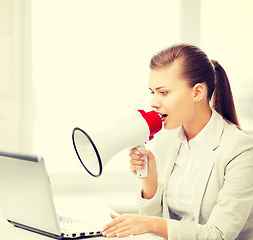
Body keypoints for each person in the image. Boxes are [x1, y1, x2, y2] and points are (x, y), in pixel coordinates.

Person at [101, 43, 253, 239]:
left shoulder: (240, 150)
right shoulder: (168, 137)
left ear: (197, 92)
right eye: (152, 92)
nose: (154, 103)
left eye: (163, 92)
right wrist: (150, 180)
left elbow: (219, 235)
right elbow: (156, 225)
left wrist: (150, 224)